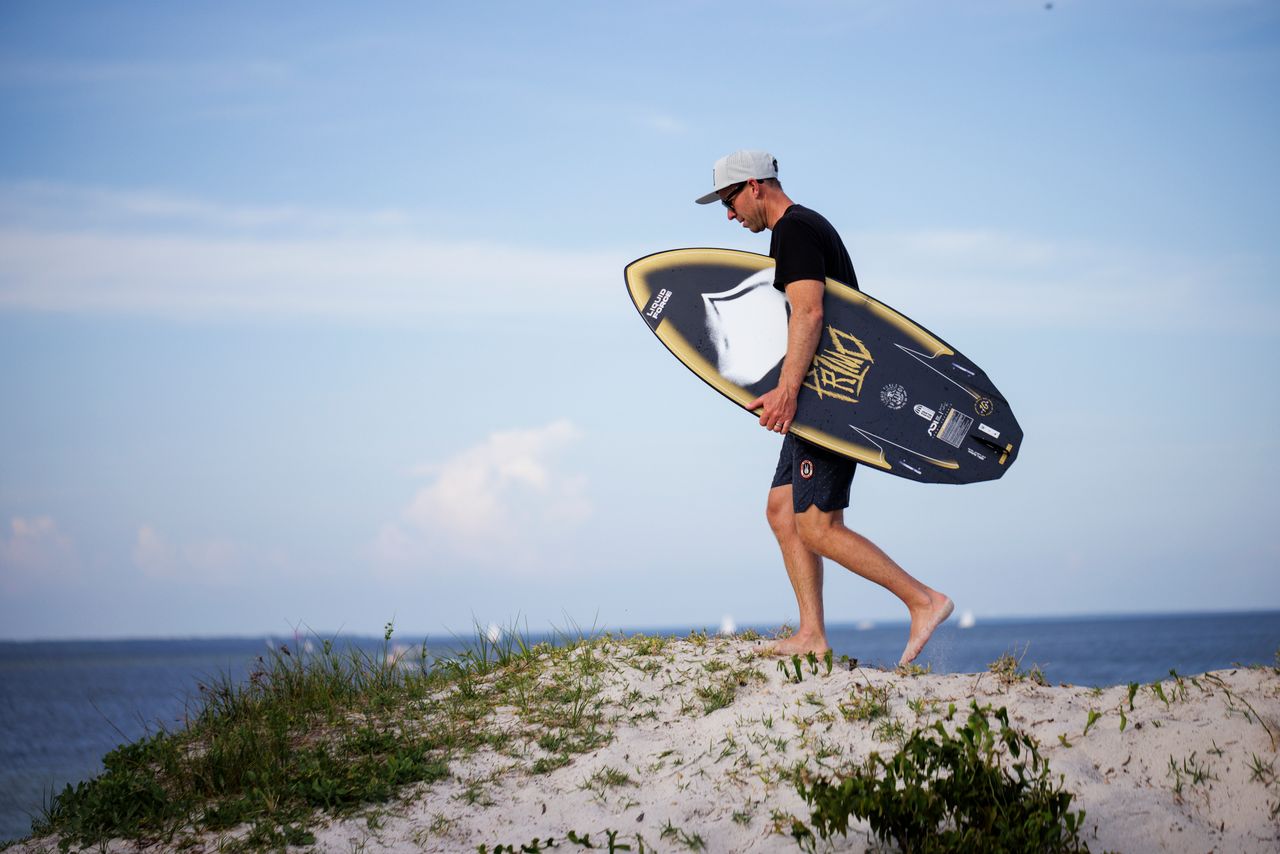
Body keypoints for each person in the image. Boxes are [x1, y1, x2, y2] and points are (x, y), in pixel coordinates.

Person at [694, 150, 953, 665]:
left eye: (729, 201)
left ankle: (924, 601)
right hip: (818, 400)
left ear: (755, 186)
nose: (729, 215)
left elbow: (809, 312)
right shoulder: (801, 229)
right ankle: (812, 633)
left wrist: (788, 391)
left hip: (836, 402)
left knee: (817, 524)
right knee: (782, 511)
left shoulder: (794, 230)